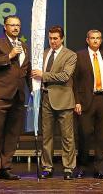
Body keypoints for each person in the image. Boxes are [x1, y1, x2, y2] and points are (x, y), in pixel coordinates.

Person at [0, 15, 31, 181]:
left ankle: (6, 167)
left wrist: (33, 91)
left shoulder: (24, 46)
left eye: (18, 25)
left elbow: (26, 72)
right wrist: (9, 56)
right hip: (0, 95)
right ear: (5, 27)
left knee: (12, 135)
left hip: (18, 96)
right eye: (12, 25)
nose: (16, 28)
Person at [31, 25, 77, 180]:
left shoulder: (70, 55)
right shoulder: (43, 54)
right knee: (47, 137)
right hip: (45, 99)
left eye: (55, 38)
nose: (53, 41)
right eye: (50, 38)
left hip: (63, 100)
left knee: (67, 137)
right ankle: (47, 167)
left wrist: (44, 75)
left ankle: (68, 168)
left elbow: (65, 76)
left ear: (62, 38)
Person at [73, 30, 103, 179]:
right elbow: (75, 81)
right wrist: (76, 101)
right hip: (85, 101)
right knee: (84, 135)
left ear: (101, 40)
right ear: (87, 40)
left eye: (98, 38)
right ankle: (82, 167)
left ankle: (100, 169)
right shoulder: (79, 56)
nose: (95, 41)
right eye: (92, 38)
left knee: (102, 136)